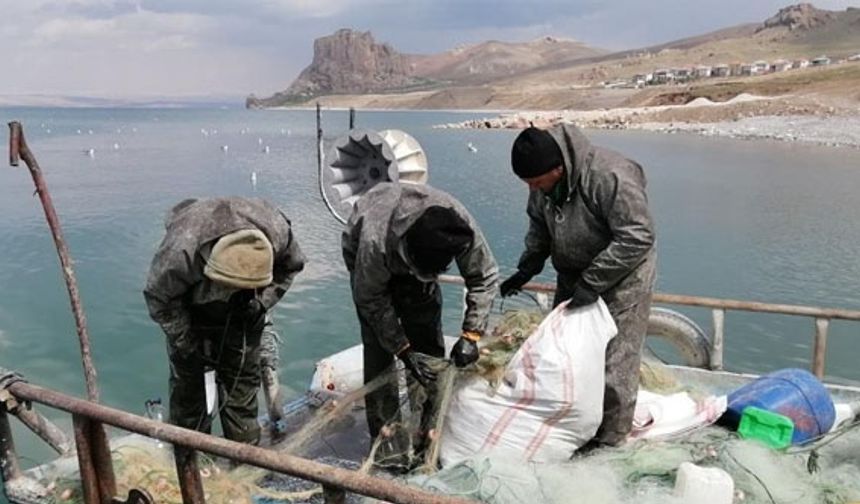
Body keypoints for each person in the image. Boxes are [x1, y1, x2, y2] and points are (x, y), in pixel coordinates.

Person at [500, 125, 656, 448]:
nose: (532, 188)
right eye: (527, 183)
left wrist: (594, 281)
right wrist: (527, 267)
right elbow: (540, 227)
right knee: (565, 354)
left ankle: (611, 438)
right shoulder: (542, 185)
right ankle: (572, 428)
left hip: (622, 278)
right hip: (574, 274)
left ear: (558, 170)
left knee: (615, 362)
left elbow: (638, 236)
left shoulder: (609, 175)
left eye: (536, 182)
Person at [342, 182, 498, 463]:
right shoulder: (374, 241)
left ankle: (426, 437)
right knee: (379, 355)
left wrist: (471, 334)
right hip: (370, 273)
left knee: (428, 357)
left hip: (415, 268)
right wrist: (402, 349)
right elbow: (371, 301)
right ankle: (387, 447)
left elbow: (485, 276)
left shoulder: (457, 227)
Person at [144, 197, 305, 445]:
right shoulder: (181, 249)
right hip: (189, 311)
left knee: (241, 388)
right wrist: (186, 341)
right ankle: (190, 459)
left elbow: (291, 268)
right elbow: (159, 300)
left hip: (246, 309)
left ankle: (244, 456)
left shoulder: (278, 233)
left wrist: (261, 301)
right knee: (189, 395)